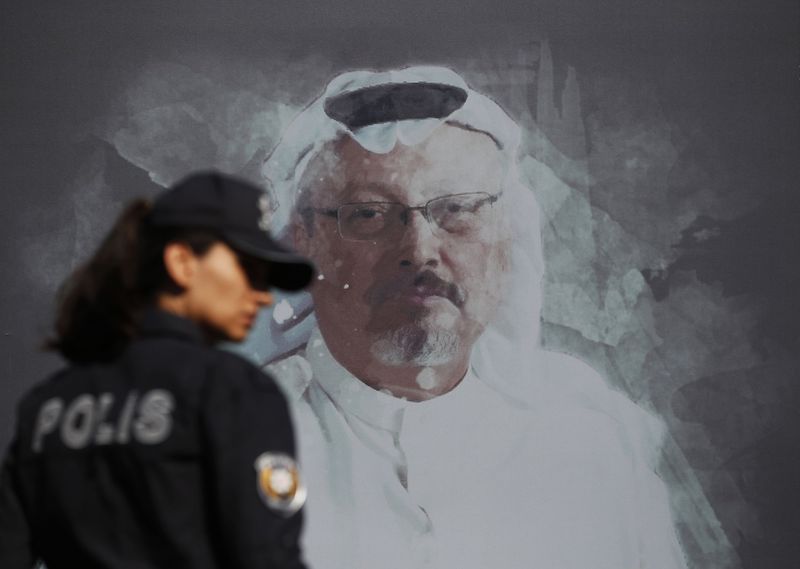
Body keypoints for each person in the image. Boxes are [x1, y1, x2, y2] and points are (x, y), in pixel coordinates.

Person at [254, 67, 690, 568]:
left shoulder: (593, 449)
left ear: (506, 239)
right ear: (304, 243)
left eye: (457, 209)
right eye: (369, 214)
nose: (420, 251)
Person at [0, 172, 314, 569]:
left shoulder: (46, 407)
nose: (263, 293)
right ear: (183, 263)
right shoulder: (232, 389)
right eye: (248, 270)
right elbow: (267, 559)